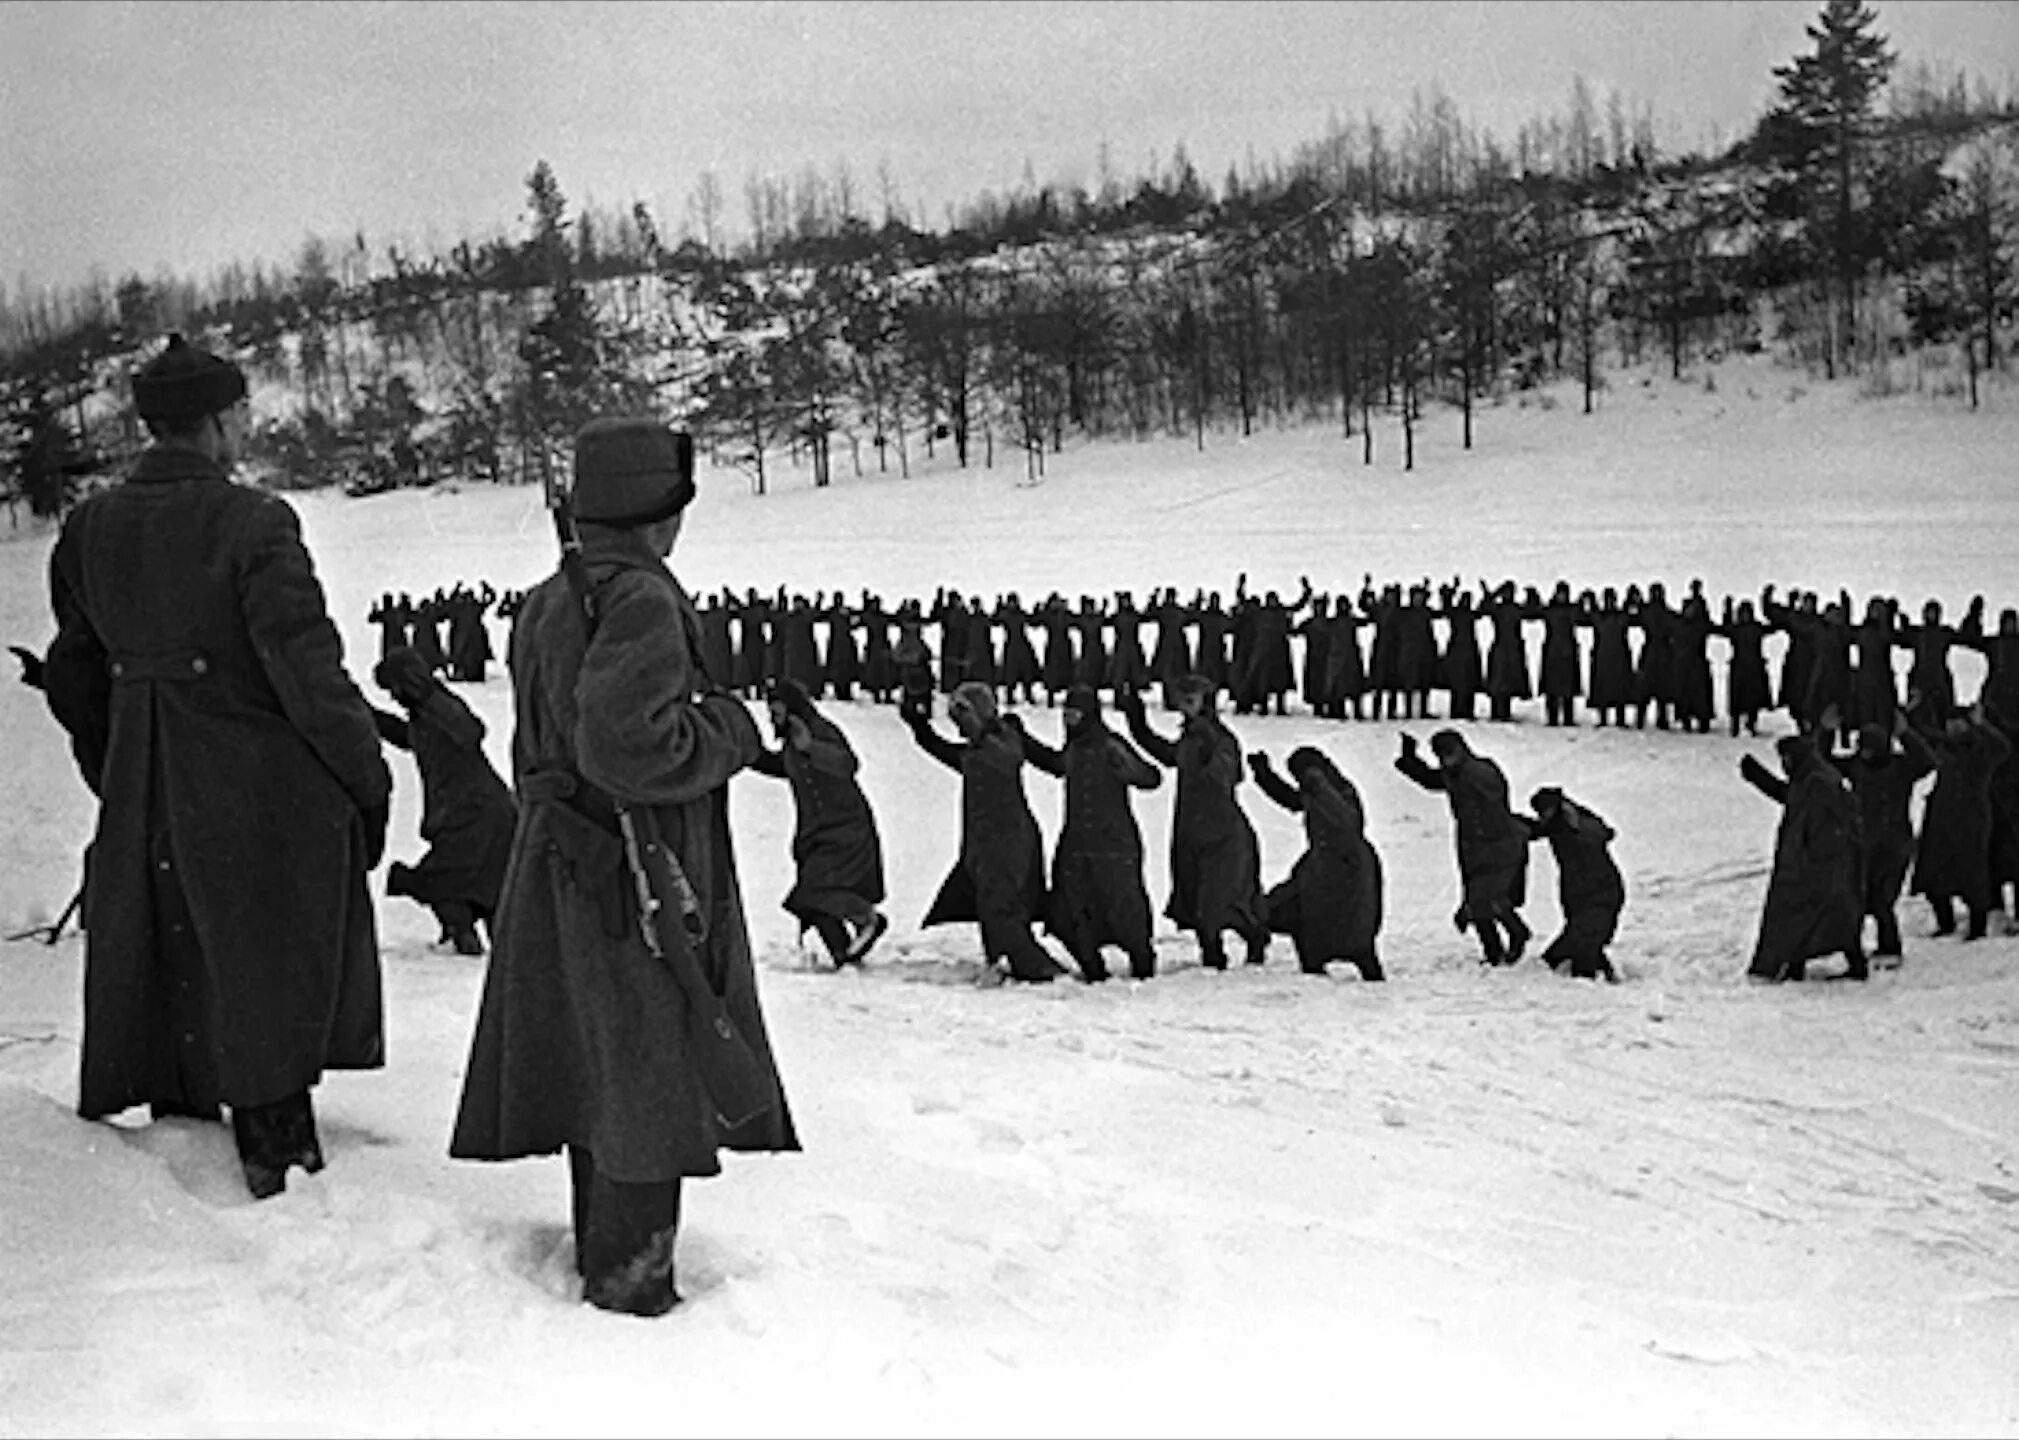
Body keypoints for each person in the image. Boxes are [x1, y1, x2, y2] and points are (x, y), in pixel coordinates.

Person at [449, 416, 797, 1318]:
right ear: (659, 511)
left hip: (564, 864)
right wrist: (732, 728)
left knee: (596, 1068)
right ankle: (633, 1287)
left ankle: (607, 1259)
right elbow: (629, 748)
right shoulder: (639, 598)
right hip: (634, 874)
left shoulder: (546, 598)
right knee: (646, 1070)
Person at [42, 333, 391, 1201]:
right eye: (239, 412)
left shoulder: (88, 528)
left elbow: (75, 678)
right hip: (257, 798)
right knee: (261, 975)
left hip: (144, 792)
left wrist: (122, 769)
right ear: (216, 422)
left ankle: (185, 1174)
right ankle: (281, 1178)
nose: (245, 425)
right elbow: (309, 673)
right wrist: (364, 779)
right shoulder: (255, 522)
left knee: (168, 971)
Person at [906, 681, 1069, 983]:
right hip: (985, 842)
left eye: (963, 718)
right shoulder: (980, 748)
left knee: (1001, 907)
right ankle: (1001, 961)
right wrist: (919, 727)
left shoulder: (1001, 744)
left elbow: (1005, 759)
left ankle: (1040, 970)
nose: (959, 729)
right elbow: (947, 751)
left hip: (1008, 841)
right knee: (992, 904)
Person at [371, 644, 518, 956]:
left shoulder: (438, 705)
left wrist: (430, 701)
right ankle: (465, 936)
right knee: (466, 882)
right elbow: (408, 736)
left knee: (444, 879)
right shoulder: (424, 717)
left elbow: (471, 731)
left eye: (395, 688)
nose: (394, 697)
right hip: (466, 813)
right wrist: (366, 715)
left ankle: (468, 938)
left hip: (479, 813)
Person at [1118, 675, 1270, 970]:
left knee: (1220, 901)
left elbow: (1230, 775)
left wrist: (1208, 756)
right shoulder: (1191, 737)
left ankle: (1251, 939)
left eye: (1192, 699)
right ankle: (1213, 954)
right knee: (1197, 898)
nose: (1185, 706)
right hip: (1191, 830)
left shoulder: (1219, 738)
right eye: (1182, 700)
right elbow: (1168, 754)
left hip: (1223, 833)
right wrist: (1137, 722)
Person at [1022, 684, 1163, 981]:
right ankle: (1091, 965)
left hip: (1114, 842)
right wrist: (1023, 740)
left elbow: (1151, 778)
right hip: (1077, 841)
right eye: (1067, 714)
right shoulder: (1074, 748)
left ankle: (1141, 960)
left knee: (1123, 905)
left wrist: (1126, 770)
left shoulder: (1110, 746)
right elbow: (1054, 763)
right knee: (1071, 905)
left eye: (1076, 714)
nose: (1070, 720)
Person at [750, 678, 888, 968]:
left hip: (846, 830)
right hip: (817, 833)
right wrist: (747, 753)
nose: (772, 719)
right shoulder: (791, 741)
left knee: (814, 891)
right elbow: (784, 767)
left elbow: (848, 764)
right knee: (808, 900)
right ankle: (843, 953)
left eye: (776, 712)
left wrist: (811, 747)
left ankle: (867, 918)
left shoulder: (821, 731)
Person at [1395, 729, 1531, 966]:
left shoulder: (1479, 772)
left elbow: (1495, 804)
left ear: (1461, 749)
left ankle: (1511, 938)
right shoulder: (1454, 773)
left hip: (1496, 844)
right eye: (1441, 755)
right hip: (1474, 845)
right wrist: (1409, 759)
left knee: (1484, 899)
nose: (1445, 760)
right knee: (1480, 899)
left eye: (1449, 753)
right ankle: (1497, 949)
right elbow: (1431, 780)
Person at [1248, 746, 1385, 980]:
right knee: (1297, 913)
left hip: (1346, 869)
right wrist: (1264, 775)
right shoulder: (1320, 789)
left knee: (1323, 920)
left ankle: (1323, 963)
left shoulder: (1339, 791)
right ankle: (1317, 963)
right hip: (1324, 865)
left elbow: (1346, 822)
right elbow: (1292, 800)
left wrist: (1318, 787)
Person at [1739, 734, 1866, 982]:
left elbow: (1837, 821)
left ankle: (1790, 963)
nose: (1785, 764)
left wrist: (1817, 855)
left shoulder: (1820, 781)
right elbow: (1791, 797)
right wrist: (1759, 777)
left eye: (1786, 759)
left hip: (1814, 863)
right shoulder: (1809, 777)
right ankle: (1796, 962)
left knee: (1800, 914)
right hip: (1806, 860)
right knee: (1811, 916)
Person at [1819, 704, 1936, 965]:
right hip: (1865, 843)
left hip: (1895, 844)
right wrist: (1826, 733)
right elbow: (1823, 762)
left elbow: (1928, 761)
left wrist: (1906, 734)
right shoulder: (1857, 766)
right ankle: (1860, 948)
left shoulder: (1901, 767)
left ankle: (1890, 948)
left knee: (1882, 900)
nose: (1866, 752)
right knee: (1860, 897)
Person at [1909, 703, 2011, 941]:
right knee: (1934, 876)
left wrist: (1981, 724)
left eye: (1958, 722)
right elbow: (1923, 735)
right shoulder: (1945, 747)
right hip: (1941, 819)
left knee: (1972, 875)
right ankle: (1945, 922)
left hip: (1971, 819)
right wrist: (1912, 712)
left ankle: (1977, 928)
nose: (1953, 727)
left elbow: (2002, 748)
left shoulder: (1982, 750)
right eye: (1950, 722)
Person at [1518, 788, 1624, 981]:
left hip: (1601, 891)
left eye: (1545, 811)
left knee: (1581, 947)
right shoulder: (1556, 824)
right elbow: (1532, 830)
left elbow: (1604, 834)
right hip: (1578, 893)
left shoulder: (1578, 821)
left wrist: (1576, 828)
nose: (1542, 816)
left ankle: (1598, 992)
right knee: (1578, 944)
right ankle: (1607, 981)